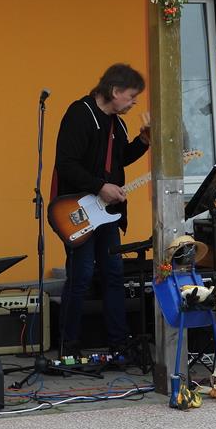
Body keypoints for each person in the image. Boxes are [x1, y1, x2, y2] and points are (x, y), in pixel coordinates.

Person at [53, 63, 151, 355]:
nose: (134, 103)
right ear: (115, 91)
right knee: (81, 276)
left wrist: (143, 142)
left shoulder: (117, 124)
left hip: (106, 213)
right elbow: (66, 163)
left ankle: (118, 343)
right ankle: (69, 345)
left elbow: (119, 160)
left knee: (113, 275)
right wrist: (99, 186)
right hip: (77, 210)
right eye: (131, 96)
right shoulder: (79, 114)